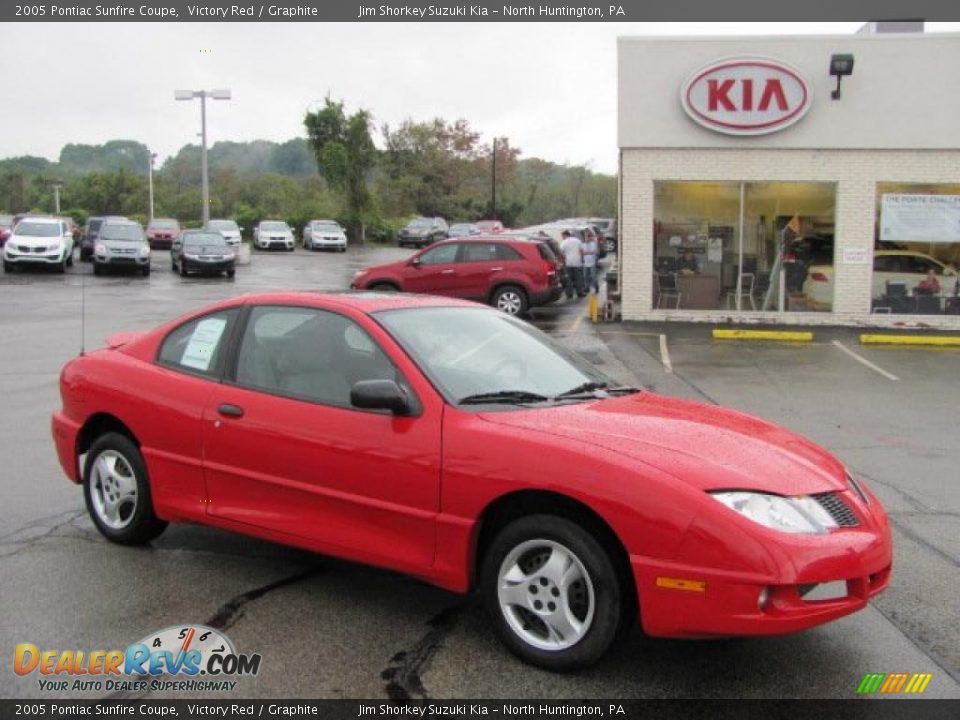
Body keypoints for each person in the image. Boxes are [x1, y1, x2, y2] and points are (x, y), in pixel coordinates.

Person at [560, 230, 585, 298]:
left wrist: (562, 261)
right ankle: (580, 293)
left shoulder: (564, 242)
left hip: (568, 263)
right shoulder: (577, 240)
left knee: (569, 279)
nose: (562, 237)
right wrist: (582, 259)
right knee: (578, 278)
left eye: (562, 236)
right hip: (577, 262)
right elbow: (582, 251)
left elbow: (561, 253)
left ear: (565, 235)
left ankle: (569, 294)